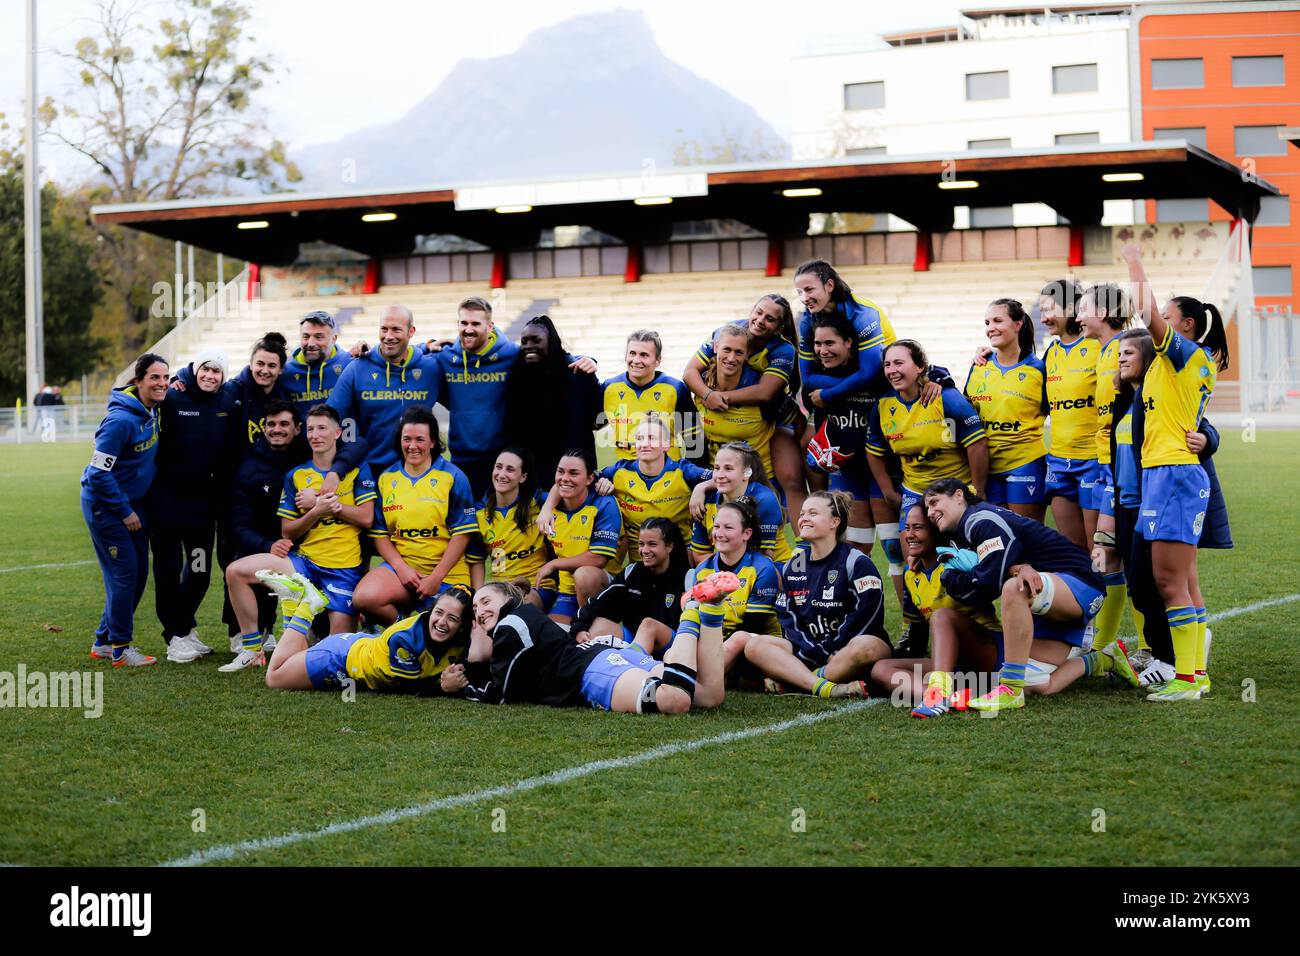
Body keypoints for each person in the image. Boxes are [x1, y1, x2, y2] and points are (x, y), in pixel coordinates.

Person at [922, 479, 1139, 713]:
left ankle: (1011, 690)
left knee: (1015, 588)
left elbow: (985, 586)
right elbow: (959, 585)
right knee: (1038, 685)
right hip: (1044, 601)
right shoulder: (962, 535)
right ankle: (1104, 659)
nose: (931, 512)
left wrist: (992, 574)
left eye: (934, 502)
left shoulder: (980, 520)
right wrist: (1010, 569)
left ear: (958, 496)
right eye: (927, 508)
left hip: (1079, 583)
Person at [1122, 242, 1230, 701]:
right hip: (1170, 474)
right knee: (1182, 582)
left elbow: (1147, 313)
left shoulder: (1184, 354)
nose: (1159, 323)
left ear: (1184, 326)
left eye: (1169, 317)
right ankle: (1195, 675)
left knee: (1169, 582)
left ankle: (1187, 679)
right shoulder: (1183, 363)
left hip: (1173, 475)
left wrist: (1134, 262)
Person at [221, 405, 376, 671]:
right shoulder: (296, 474)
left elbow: (366, 518)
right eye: (312, 429)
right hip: (304, 564)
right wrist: (316, 511)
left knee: (336, 653)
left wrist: (330, 504)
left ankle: (302, 621)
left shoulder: (356, 470)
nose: (316, 435)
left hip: (343, 570)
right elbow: (288, 531)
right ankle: (252, 648)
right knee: (236, 572)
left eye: (323, 428)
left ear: (338, 432)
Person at [440, 576, 736, 714]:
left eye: (486, 601)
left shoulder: (510, 625)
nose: (479, 612)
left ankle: (692, 611)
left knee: (675, 700)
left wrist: (461, 688)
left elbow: (502, 693)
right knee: (707, 696)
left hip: (592, 672)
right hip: (602, 658)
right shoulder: (522, 619)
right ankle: (709, 612)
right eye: (476, 609)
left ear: (508, 599)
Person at [740, 491, 888, 699]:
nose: (803, 518)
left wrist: (831, 649)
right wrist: (814, 652)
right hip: (808, 651)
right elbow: (789, 621)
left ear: (834, 522)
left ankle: (800, 679)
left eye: (813, 513)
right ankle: (825, 686)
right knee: (755, 646)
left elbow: (867, 617)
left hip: (847, 650)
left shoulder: (857, 562)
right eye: (802, 514)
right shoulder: (793, 566)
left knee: (867, 646)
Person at [148, 348, 242, 663]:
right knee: (168, 571)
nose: (210, 376)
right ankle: (173, 637)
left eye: (217, 371)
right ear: (196, 368)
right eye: (206, 369)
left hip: (203, 511)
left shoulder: (228, 401)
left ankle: (184, 627)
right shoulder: (173, 396)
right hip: (167, 507)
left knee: (199, 570)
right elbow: (138, 393)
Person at [870, 505, 1002, 718]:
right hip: (953, 667)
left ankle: (939, 693)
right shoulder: (911, 575)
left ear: (936, 532)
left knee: (941, 616)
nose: (909, 535)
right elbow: (917, 634)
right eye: (907, 528)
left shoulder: (959, 562)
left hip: (988, 655)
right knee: (881, 669)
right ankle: (946, 697)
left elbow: (994, 571)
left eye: (918, 528)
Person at [684, 294, 807, 514]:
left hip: (769, 417)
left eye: (770, 318)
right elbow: (689, 372)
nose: (760, 320)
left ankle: (811, 532)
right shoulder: (726, 333)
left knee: (791, 478)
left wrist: (719, 398)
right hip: (722, 454)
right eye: (758, 312)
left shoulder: (782, 349)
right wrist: (706, 393)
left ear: (779, 327)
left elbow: (765, 392)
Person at [354, 406, 476, 626]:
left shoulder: (453, 477)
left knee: (449, 629)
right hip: (404, 570)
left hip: (446, 575)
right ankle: (405, 628)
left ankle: (421, 626)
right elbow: (380, 535)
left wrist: (436, 578)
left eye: (420, 439)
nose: (412, 446)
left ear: (432, 442)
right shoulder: (387, 478)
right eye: (406, 439)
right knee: (364, 597)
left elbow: (462, 535)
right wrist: (402, 569)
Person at [84, 354, 168, 667]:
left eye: (166, 378)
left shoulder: (151, 411)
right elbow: (97, 474)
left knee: (137, 575)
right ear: (138, 382)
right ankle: (121, 648)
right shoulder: (120, 421)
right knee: (124, 576)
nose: (161, 384)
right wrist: (124, 510)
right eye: (154, 378)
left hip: (130, 506)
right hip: (106, 508)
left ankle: (104, 641)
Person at [264, 581, 471, 695]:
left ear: (463, 626)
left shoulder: (463, 640)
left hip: (362, 648)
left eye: (452, 618)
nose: (442, 622)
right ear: (431, 610)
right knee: (274, 678)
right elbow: (409, 687)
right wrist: (443, 687)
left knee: (297, 658)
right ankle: (304, 608)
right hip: (339, 660)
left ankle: (296, 602)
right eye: (439, 612)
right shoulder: (406, 638)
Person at [867, 338, 988, 532]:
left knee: (962, 553)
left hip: (954, 487)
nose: (891, 370)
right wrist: (888, 491)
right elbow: (874, 451)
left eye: (899, 363)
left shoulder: (947, 398)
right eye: (887, 364)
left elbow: (977, 444)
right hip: (914, 490)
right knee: (912, 551)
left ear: (920, 367)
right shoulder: (882, 405)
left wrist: (978, 490)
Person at [1077, 282, 1133, 652]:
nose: (1078, 316)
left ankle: (1146, 647)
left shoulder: (1127, 348)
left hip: (1122, 466)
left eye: (1083, 308)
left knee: (1121, 552)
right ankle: (1105, 643)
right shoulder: (1102, 351)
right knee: (1107, 552)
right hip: (1103, 466)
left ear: (1103, 312)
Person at [326, 304, 441, 480]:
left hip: (419, 471)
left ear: (411, 331)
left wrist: (428, 344)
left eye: (396, 329)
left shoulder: (431, 368)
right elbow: (329, 418)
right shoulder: (357, 367)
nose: (388, 336)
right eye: (384, 329)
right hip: (370, 471)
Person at [225, 400, 305, 653]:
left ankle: (311, 629)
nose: (277, 429)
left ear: (298, 429)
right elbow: (236, 525)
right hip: (267, 546)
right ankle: (248, 634)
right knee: (238, 563)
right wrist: (268, 545)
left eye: (284, 424)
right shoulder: (250, 467)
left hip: (307, 548)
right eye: (271, 424)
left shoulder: (311, 459)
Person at [963, 299, 1049, 521]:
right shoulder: (979, 366)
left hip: (1025, 464)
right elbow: (965, 415)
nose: (990, 327)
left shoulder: (1039, 370)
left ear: (1018, 324)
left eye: (998, 320)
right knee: (997, 540)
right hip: (987, 470)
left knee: (1026, 538)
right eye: (987, 322)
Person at [587, 416, 713, 566]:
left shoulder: (683, 470)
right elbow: (579, 479)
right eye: (640, 438)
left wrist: (702, 487)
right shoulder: (619, 471)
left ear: (667, 444)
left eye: (651, 438)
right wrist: (601, 482)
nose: (644, 444)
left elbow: (724, 477)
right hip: (639, 564)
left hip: (680, 561)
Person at [502, 314, 603, 488]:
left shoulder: (578, 373)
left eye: (536, 340)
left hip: (573, 471)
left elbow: (600, 419)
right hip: (533, 475)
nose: (528, 346)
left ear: (551, 341)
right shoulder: (517, 377)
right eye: (524, 341)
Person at [433, 297, 520, 497]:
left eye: (475, 324)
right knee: (464, 522)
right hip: (461, 459)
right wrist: (426, 344)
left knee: (498, 522)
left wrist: (585, 360)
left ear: (489, 326)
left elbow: (549, 354)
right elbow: (409, 356)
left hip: (501, 461)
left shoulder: (511, 354)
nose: (468, 329)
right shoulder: (446, 358)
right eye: (464, 323)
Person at [570, 517, 691, 656]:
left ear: (669, 546)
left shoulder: (687, 577)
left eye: (652, 544)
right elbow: (598, 604)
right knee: (599, 625)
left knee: (648, 625)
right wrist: (578, 629)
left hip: (668, 646)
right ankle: (588, 669)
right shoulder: (633, 572)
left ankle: (634, 665)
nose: (644, 550)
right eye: (641, 544)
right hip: (634, 640)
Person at [1041, 279, 1098, 549]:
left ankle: (1110, 593)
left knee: (1100, 550)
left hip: (1094, 462)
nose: (1044, 318)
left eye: (1050, 309)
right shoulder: (1050, 354)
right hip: (1059, 464)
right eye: (1041, 311)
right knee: (1074, 550)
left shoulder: (1100, 347)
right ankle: (1085, 593)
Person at [535, 448, 621, 624]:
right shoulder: (548, 504)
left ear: (590, 478)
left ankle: (590, 625)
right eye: (560, 471)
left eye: (574, 473)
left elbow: (598, 559)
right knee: (552, 637)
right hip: (567, 591)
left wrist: (554, 564)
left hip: (602, 585)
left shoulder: (604, 504)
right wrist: (546, 508)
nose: (565, 478)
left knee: (584, 575)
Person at [466, 447, 554, 611]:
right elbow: (476, 560)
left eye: (510, 469)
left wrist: (548, 508)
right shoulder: (480, 513)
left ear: (523, 477)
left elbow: (561, 489)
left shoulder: (537, 501)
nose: (501, 474)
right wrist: (478, 599)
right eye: (498, 467)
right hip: (500, 588)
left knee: (518, 608)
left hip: (536, 587)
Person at [694, 322, 778, 481]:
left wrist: (791, 480)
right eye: (726, 349)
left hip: (758, 481)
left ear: (747, 355)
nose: (731, 358)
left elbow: (794, 424)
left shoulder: (761, 391)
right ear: (715, 347)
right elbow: (690, 440)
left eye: (739, 352)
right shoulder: (700, 388)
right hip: (717, 480)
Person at [601, 329, 700, 461]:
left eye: (644, 355)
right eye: (632, 353)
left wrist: (691, 476)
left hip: (668, 474)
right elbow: (589, 424)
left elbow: (694, 440)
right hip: (625, 474)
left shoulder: (676, 389)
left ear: (657, 360)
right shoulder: (609, 388)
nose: (636, 360)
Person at [688, 441, 793, 565]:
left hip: (773, 567)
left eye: (728, 468)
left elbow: (764, 557)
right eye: (716, 468)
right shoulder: (705, 500)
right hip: (727, 568)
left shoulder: (764, 500)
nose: (720, 475)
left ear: (747, 473)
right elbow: (700, 554)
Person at [281, 310, 353, 419]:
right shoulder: (285, 372)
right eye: (306, 336)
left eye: (318, 337)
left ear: (334, 339)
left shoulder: (349, 365)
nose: (311, 343)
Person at [225, 332, 290, 452]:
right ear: (251, 364)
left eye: (272, 366)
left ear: (280, 369)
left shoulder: (285, 397)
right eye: (260, 364)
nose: (264, 371)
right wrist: (184, 378)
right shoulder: (232, 391)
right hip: (240, 468)